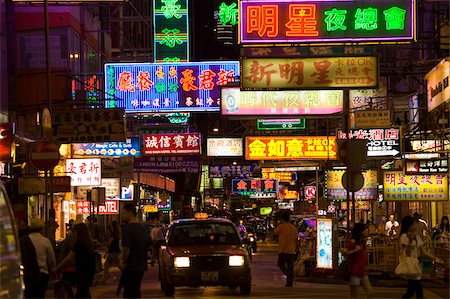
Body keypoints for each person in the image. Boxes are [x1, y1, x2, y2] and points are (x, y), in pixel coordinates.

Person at [398, 215, 443, 299]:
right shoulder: (404, 236)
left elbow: (423, 251)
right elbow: (406, 252)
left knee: (411, 291)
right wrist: (410, 241)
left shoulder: (417, 237)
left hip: (416, 264)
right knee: (418, 290)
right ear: (409, 225)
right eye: (413, 224)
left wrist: (435, 258)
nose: (415, 225)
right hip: (410, 265)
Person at [55, 222, 96, 298]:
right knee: (85, 291)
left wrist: (58, 267)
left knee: (82, 292)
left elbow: (69, 258)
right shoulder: (90, 243)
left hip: (81, 272)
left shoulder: (78, 245)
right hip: (89, 272)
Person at [118, 203, 149, 298]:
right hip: (141, 266)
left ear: (129, 213)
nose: (122, 215)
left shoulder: (127, 229)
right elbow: (149, 245)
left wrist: (122, 261)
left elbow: (126, 248)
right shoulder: (143, 229)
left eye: (123, 213)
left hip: (131, 267)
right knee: (136, 291)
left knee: (129, 293)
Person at [20, 218, 57, 299]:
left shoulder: (24, 240)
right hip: (42, 273)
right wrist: (53, 270)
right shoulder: (45, 241)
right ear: (41, 229)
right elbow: (51, 259)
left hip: (28, 274)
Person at [342, 222, 373, 298]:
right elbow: (344, 252)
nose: (367, 231)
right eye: (365, 230)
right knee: (354, 296)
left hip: (362, 271)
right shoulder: (353, 242)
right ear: (360, 231)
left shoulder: (361, 242)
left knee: (370, 292)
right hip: (354, 272)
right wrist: (354, 251)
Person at [273, 213, 298, 287]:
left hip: (283, 250)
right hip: (292, 250)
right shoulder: (294, 228)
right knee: (290, 266)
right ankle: (289, 283)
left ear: (283, 219)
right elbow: (297, 239)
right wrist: (297, 248)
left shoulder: (281, 226)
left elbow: (275, 233)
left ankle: (289, 275)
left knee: (281, 264)